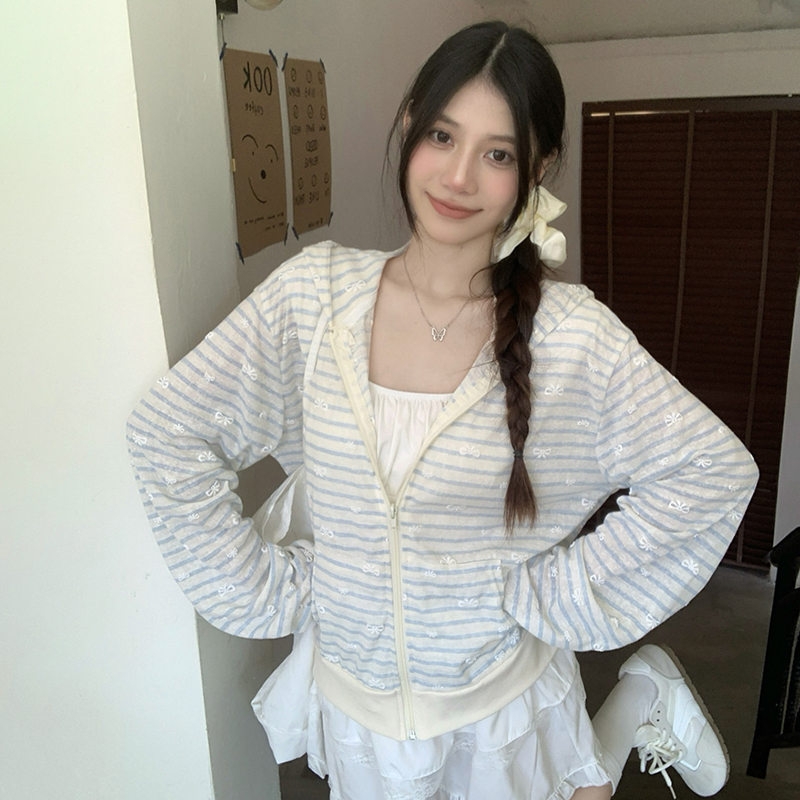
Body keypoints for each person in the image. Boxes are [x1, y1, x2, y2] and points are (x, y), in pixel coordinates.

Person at [127, 21, 758, 800]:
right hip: (360, 710)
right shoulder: (312, 299)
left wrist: (554, 596)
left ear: (537, 168)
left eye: (498, 154)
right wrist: (270, 585)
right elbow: (169, 430)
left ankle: (638, 697)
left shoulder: (572, 338)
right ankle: (638, 702)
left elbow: (710, 471)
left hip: (500, 695)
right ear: (409, 125)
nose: (459, 177)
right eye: (442, 136)